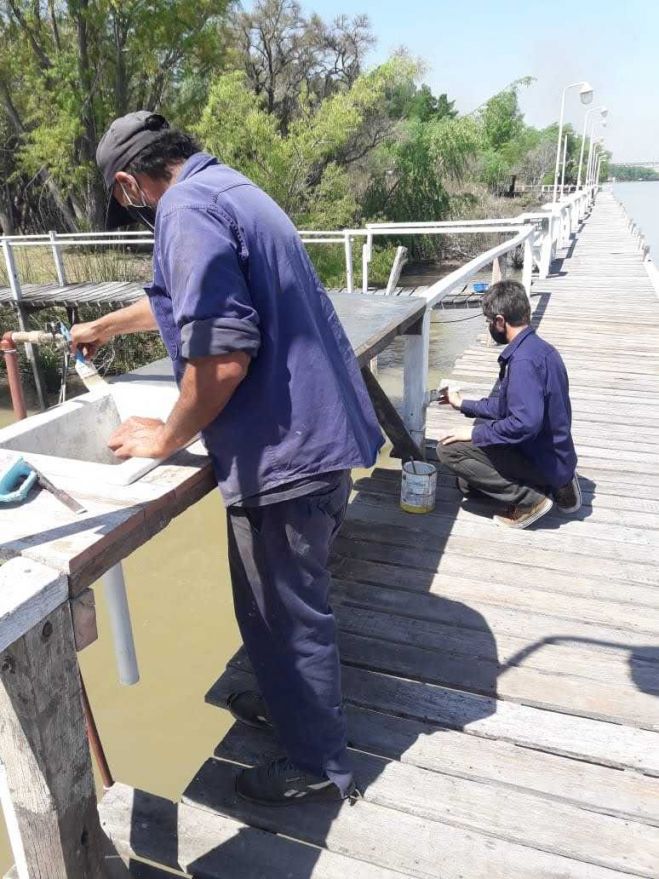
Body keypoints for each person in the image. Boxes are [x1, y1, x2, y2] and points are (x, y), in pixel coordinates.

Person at [72, 111, 383, 806]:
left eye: (126, 202)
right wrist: (101, 324)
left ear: (129, 182)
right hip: (316, 435)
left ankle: (318, 764)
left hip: (284, 453)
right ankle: (291, 704)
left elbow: (219, 360)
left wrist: (165, 435)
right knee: (275, 608)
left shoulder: (182, 211)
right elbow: (180, 302)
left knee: (283, 615)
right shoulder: (226, 190)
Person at [437, 279, 580, 530]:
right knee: (469, 476)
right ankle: (558, 481)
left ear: (500, 321)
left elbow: (524, 424)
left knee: (448, 450)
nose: (489, 327)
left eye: (489, 321)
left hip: (541, 458)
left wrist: (473, 433)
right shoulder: (541, 350)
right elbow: (506, 408)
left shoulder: (523, 363)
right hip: (554, 453)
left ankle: (532, 499)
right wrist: (462, 404)